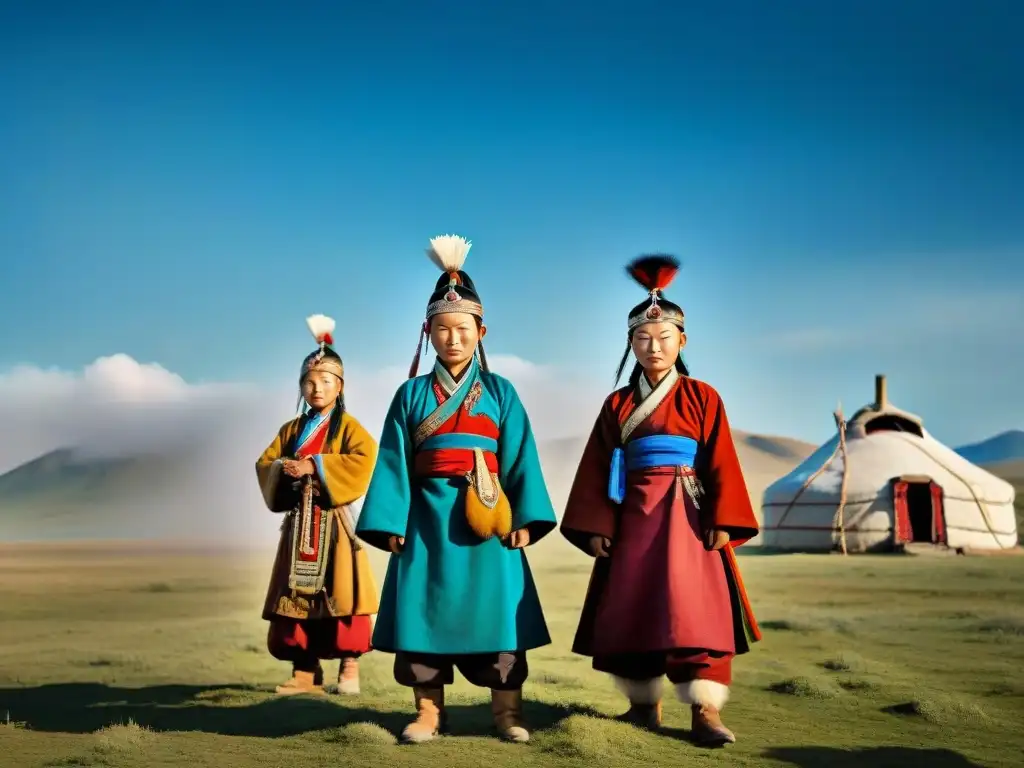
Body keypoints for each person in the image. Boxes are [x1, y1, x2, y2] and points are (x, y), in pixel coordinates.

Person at [355, 234, 557, 745]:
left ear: (481, 331)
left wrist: (528, 521)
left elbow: (520, 458)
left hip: (489, 518)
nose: (453, 339)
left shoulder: (502, 392)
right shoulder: (410, 394)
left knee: (499, 616)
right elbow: (394, 460)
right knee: (423, 618)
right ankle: (428, 713)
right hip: (425, 520)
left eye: (462, 329)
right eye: (442, 329)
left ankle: (507, 714)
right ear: (428, 332)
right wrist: (390, 523)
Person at [559, 255, 761, 746]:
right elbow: (596, 466)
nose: (654, 346)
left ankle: (705, 713)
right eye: (643, 339)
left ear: (682, 342)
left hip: (689, 517)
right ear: (630, 344)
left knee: (697, 609)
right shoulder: (618, 405)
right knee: (633, 606)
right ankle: (642, 707)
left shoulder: (703, 397)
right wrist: (597, 527)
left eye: (664, 338)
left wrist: (724, 519)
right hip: (633, 519)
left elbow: (721, 462)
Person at [256, 314, 380, 697]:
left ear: (340, 386)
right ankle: (305, 672)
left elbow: (365, 457)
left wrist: (316, 466)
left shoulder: (349, 428)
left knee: (342, 590)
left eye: (325, 381)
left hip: (336, 523)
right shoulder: (291, 430)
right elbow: (266, 463)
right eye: (309, 382)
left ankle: (349, 667)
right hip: (300, 525)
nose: (316, 388)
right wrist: (283, 470)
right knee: (296, 595)